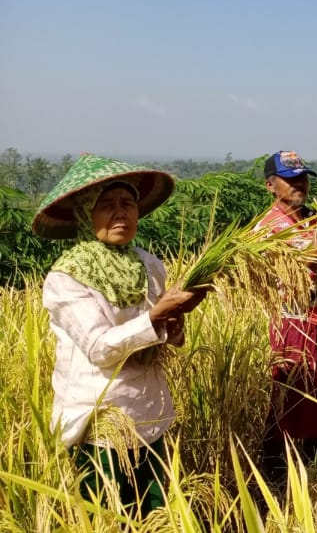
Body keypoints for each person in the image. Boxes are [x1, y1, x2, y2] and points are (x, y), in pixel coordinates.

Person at [32, 154, 206, 516]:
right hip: (99, 423)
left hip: (150, 415)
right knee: (109, 515)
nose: (120, 213)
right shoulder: (66, 278)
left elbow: (163, 336)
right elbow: (99, 348)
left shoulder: (148, 264)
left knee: (159, 513)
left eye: (127, 203)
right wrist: (157, 315)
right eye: (106, 205)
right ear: (84, 214)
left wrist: (174, 322)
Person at [258, 150, 317, 478]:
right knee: (293, 401)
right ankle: (278, 475)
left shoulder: (314, 219)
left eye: (303, 177)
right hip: (294, 327)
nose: (299, 184)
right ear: (271, 185)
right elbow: (296, 278)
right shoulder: (267, 229)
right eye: (290, 179)